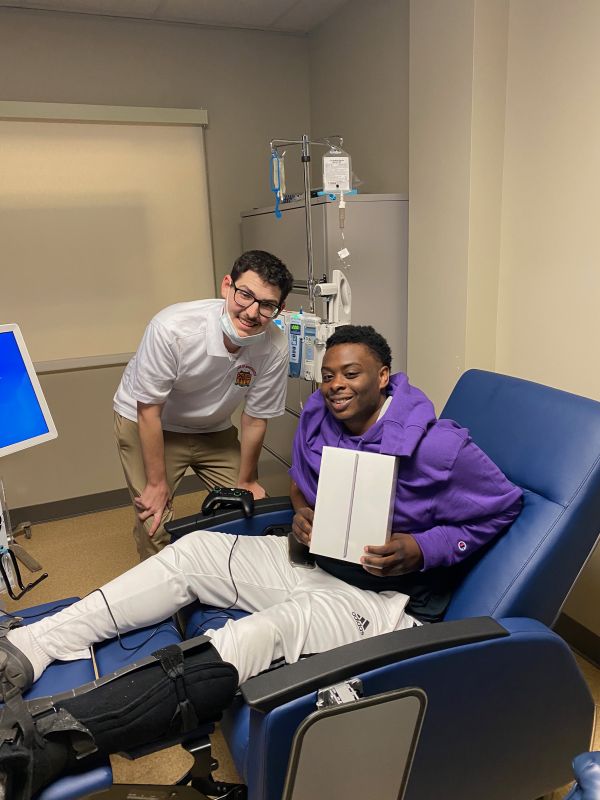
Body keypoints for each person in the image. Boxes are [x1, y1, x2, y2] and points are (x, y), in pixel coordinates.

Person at [0, 325, 522, 700]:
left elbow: (503, 507)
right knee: (194, 550)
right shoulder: (320, 413)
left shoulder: (439, 448)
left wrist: (421, 547)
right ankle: (30, 646)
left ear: (384, 377)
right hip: (313, 562)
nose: (335, 384)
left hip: (384, 599)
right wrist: (301, 514)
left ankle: (54, 727)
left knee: (256, 634)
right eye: (328, 374)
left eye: (352, 373)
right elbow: (300, 482)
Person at [112, 249, 294, 559]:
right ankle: (163, 601)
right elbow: (149, 411)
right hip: (152, 421)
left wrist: (247, 480)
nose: (252, 312)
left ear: (279, 308)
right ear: (227, 286)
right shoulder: (172, 329)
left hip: (213, 427)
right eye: (245, 295)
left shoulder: (274, 346)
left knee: (250, 512)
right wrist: (157, 484)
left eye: (267, 305)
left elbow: (255, 418)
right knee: (155, 522)